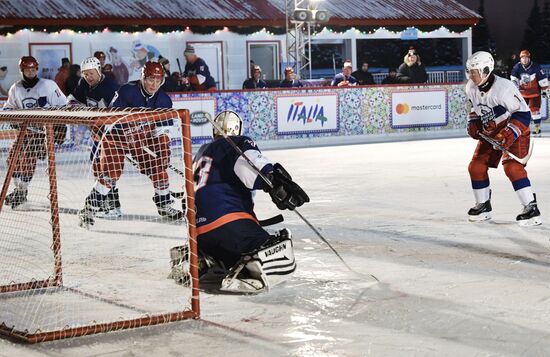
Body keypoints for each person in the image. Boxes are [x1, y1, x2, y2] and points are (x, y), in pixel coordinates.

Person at [169, 111, 309, 293]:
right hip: (229, 225)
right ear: (238, 128)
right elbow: (252, 166)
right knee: (280, 247)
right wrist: (275, 183)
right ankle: (250, 271)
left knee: (226, 247)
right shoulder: (236, 143)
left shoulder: (201, 153)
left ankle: (201, 259)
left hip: (198, 234)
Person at [78, 61, 183, 228]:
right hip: (116, 139)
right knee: (111, 174)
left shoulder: (163, 100)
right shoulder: (127, 91)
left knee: (159, 168)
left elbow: (163, 131)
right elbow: (111, 119)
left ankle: (164, 205)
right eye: (150, 80)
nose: (153, 85)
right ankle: (89, 208)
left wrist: (163, 149)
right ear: (142, 78)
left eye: (158, 81)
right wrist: (125, 134)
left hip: (140, 140)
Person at [465, 51, 541, 226]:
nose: (471, 75)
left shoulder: (504, 87)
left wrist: (508, 134)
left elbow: (523, 114)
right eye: (469, 71)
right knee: (476, 167)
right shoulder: (470, 86)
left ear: (486, 70)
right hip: (491, 132)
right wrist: (474, 122)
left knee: (512, 168)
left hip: (515, 130)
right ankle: (483, 205)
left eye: (474, 71)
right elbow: (473, 107)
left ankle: (531, 208)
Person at [3, 56, 67, 209]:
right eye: (27, 70)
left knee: (27, 160)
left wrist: (61, 126)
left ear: (37, 69)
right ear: (22, 70)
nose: (31, 72)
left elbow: (63, 105)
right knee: (11, 160)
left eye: (33, 69)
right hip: (25, 131)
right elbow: (8, 107)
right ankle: (20, 190)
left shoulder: (48, 85)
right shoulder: (16, 88)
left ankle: (21, 191)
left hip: (43, 132)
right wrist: (11, 117)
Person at [70, 57, 121, 217]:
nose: (88, 77)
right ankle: (106, 201)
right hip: (98, 135)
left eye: (91, 73)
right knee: (96, 165)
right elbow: (73, 100)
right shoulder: (84, 83)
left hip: (113, 135)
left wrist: (105, 129)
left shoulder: (110, 88)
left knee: (108, 169)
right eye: (85, 74)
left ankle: (114, 206)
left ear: (98, 71)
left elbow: (117, 116)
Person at [510, 50, 548, 136]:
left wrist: (544, 89)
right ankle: (522, 128)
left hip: (535, 93)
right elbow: (513, 78)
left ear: (529, 58)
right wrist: (514, 87)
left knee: (535, 111)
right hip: (522, 93)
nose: (524, 59)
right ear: (520, 59)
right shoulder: (517, 67)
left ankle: (537, 127)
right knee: (521, 111)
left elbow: (542, 78)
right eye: (523, 58)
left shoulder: (536, 66)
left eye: (526, 57)